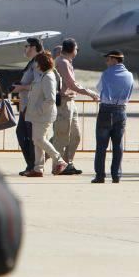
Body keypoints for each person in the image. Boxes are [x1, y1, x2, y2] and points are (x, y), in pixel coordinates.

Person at [53, 39, 99, 175]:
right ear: (72, 49)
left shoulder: (67, 62)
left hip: (70, 102)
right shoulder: (62, 62)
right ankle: (58, 165)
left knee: (75, 136)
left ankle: (68, 164)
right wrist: (89, 92)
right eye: (76, 49)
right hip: (63, 103)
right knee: (61, 136)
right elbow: (72, 84)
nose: (77, 51)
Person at [92, 50, 134, 184]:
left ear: (114, 60)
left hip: (106, 110)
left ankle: (100, 175)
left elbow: (99, 88)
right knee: (118, 144)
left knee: (101, 145)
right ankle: (116, 175)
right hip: (121, 110)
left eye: (108, 59)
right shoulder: (130, 75)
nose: (106, 62)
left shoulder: (107, 74)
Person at [26, 52, 68, 177]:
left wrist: (38, 110)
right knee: (37, 140)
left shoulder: (48, 76)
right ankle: (38, 168)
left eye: (37, 61)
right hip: (37, 114)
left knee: (39, 139)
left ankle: (59, 160)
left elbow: (50, 99)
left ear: (41, 63)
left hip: (43, 115)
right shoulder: (42, 75)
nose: (35, 64)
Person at [11, 38, 43, 176]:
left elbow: (39, 85)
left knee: (30, 137)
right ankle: (31, 165)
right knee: (23, 135)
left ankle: (34, 167)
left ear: (34, 47)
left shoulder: (38, 63)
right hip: (25, 107)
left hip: (32, 107)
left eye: (26, 46)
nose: (25, 49)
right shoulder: (32, 62)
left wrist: (21, 87)